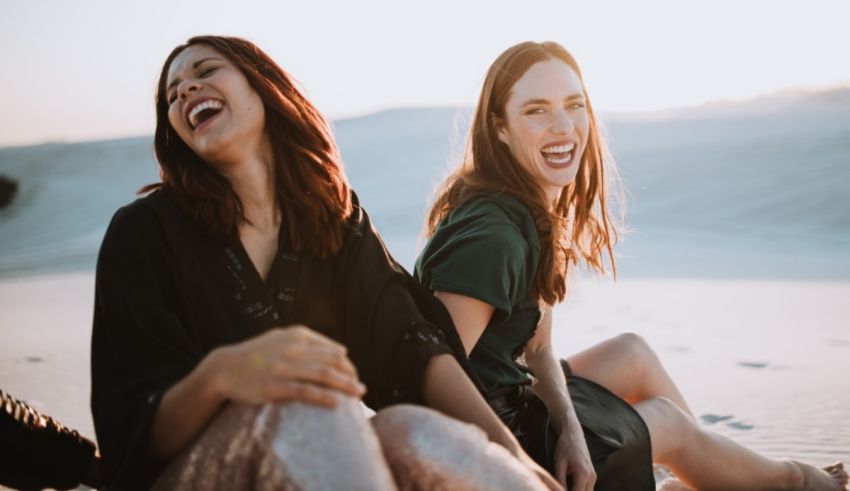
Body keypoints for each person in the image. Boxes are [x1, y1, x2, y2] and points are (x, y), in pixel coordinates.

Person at [90, 35, 561, 490]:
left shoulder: (332, 221)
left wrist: (513, 457)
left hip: (315, 462)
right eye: (173, 95)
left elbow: (415, 344)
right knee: (308, 405)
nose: (187, 90)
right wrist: (220, 376)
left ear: (264, 85)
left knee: (411, 429)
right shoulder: (144, 233)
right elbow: (130, 432)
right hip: (199, 473)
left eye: (206, 71)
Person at [415, 40, 849, 491]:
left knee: (630, 353)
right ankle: (793, 482)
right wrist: (524, 467)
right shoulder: (493, 237)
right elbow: (432, 378)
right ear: (499, 127)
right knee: (668, 422)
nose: (563, 126)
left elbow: (539, 349)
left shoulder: (528, 210)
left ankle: (701, 470)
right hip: (498, 445)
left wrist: (574, 435)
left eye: (574, 104)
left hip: (518, 398)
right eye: (537, 110)